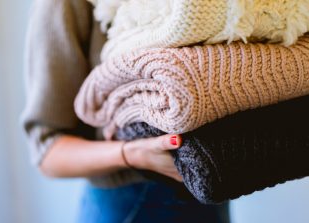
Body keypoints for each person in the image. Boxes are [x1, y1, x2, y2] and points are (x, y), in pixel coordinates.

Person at [21, 0, 230, 222]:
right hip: (132, 201)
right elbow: (47, 152)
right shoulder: (63, 5)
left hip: (211, 189)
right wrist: (131, 154)